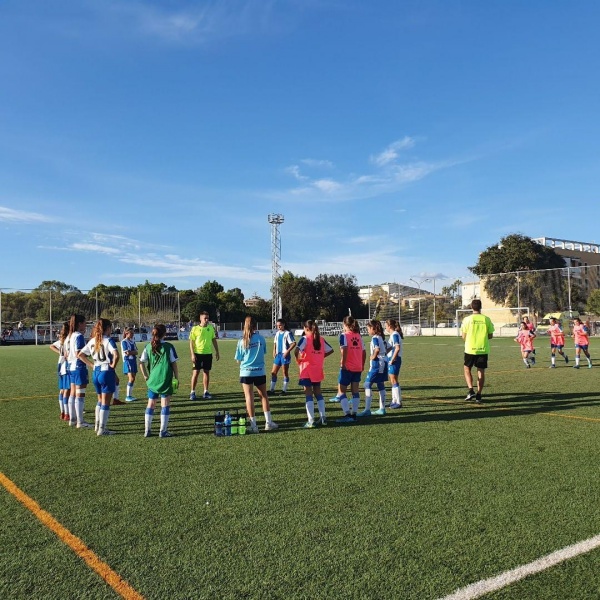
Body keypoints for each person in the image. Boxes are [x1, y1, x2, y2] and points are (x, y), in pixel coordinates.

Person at [235, 316, 278, 433]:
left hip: (246, 372)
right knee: (263, 396)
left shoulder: (241, 341)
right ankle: (268, 422)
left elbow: (238, 358)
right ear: (255, 326)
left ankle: (254, 426)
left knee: (249, 398)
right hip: (259, 371)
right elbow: (263, 352)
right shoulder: (261, 339)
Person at [78, 319, 119, 436]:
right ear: (107, 328)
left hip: (96, 372)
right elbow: (116, 355)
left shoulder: (92, 340)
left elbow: (80, 355)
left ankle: (97, 425)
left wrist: (91, 365)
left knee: (100, 401)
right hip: (106, 371)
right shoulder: (108, 340)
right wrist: (113, 366)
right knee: (106, 403)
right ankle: (102, 429)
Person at [139, 324, 179, 438]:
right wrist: (176, 377)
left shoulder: (148, 346)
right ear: (164, 334)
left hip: (152, 380)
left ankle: (147, 430)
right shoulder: (169, 347)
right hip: (165, 379)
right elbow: (174, 364)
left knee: (150, 404)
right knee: (165, 405)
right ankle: (163, 431)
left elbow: (141, 362)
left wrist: (146, 376)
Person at [295, 320, 334, 428]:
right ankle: (323, 417)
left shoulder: (305, 338)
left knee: (308, 394)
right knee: (318, 393)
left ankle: (311, 421)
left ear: (306, 329)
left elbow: (296, 350)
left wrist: (298, 359)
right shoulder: (321, 339)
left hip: (307, 369)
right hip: (317, 369)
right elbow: (331, 350)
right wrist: (320, 357)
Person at [331, 316, 365, 424]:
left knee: (341, 391)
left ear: (345, 325)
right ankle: (354, 414)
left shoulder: (344, 336)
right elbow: (364, 352)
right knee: (355, 391)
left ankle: (347, 414)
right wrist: (362, 364)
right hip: (358, 366)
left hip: (348, 367)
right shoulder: (359, 336)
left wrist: (343, 362)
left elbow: (344, 350)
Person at [461, 299, 494, 403]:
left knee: (467, 369)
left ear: (471, 307)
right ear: (481, 307)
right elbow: (490, 335)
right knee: (481, 371)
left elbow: (463, 336)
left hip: (470, 349)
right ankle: (479, 395)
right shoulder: (486, 319)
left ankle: (471, 390)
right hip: (483, 349)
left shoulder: (467, 319)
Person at [65, 314, 92, 428]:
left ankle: (73, 419)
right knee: (80, 395)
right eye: (85, 323)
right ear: (80, 324)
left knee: (72, 394)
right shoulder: (78, 336)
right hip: (78, 367)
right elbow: (79, 354)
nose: (86, 326)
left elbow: (66, 354)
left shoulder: (69, 336)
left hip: (70, 367)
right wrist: (91, 364)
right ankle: (80, 422)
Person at [358, 319, 389, 417]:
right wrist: (384, 354)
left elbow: (377, 349)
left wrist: (374, 356)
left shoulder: (375, 338)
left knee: (367, 384)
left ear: (373, 328)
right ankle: (382, 408)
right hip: (384, 361)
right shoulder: (381, 338)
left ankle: (367, 410)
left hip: (377, 363)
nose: (368, 331)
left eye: (368, 328)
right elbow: (389, 347)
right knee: (380, 384)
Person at [189, 311, 220, 400]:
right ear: (200, 319)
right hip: (197, 354)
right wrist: (192, 354)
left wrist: (217, 351)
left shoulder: (210, 328)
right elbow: (191, 342)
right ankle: (192, 392)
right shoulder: (195, 329)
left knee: (206, 372)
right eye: (205, 318)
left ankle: (206, 391)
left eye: (207, 318)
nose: (206, 320)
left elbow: (214, 340)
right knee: (196, 373)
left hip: (208, 354)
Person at [49, 321, 70, 421]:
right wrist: (62, 353)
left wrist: (60, 353)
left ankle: (62, 412)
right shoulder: (68, 340)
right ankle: (67, 413)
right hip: (66, 365)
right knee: (67, 389)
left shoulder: (62, 339)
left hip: (60, 365)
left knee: (62, 390)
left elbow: (51, 346)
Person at [268, 319, 296, 395]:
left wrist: (287, 351)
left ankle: (284, 390)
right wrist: (274, 351)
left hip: (284, 355)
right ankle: (271, 390)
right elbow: (275, 343)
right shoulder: (277, 333)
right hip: (278, 355)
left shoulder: (287, 333)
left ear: (283, 324)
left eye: (280, 325)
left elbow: (293, 343)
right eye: (277, 326)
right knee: (273, 372)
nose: (278, 327)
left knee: (285, 373)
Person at [386, 319, 404, 409]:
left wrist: (392, 359)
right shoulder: (393, 335)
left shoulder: (395, 335)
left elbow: (397, 348)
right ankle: (394, 400)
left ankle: (398, 402)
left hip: (394, 360)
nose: (385, 327)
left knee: (394, 380)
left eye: (386, 325)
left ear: (389, 326)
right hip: (392, 359)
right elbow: (390, 348)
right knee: (393, 381)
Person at [121, 327, 138, 401]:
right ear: (126, 333)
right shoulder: (124, 342)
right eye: (131, 333)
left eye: (133, 333)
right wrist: (132, 352)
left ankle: (130, 395)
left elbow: (136, 351)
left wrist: (132, 352)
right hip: (128, 361)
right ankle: (128, 396)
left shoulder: (132, 341)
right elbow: (127, 353)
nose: (132, 334)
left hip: (133, 361)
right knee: (131, 378)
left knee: (133, 378)